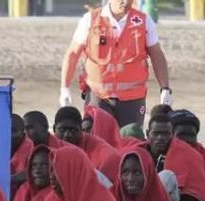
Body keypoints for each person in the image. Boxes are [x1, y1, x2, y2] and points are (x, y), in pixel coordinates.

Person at [60, 0, 170, 128]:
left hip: (132, 99)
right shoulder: (90, 20)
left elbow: (157, 55)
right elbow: (73, 54)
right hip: (98, 96)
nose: (126, 2)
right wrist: (64, 88)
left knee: (130, 138)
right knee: (97, 137)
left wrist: (165, 88)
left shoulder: (143, 21)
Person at [144, 114, 205, 201]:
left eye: (166, 134)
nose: (160, 137)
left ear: (172, 135)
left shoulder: (189, 156)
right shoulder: (138, 155)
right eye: (156, 133)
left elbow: (195, 195)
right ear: (147, 134)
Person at [54, 106, 121, 186]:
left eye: (73, 130)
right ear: (54, 129)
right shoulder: (47, 146)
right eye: (62, 130)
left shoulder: (105, 157)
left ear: (81, 131)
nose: (67, 135)